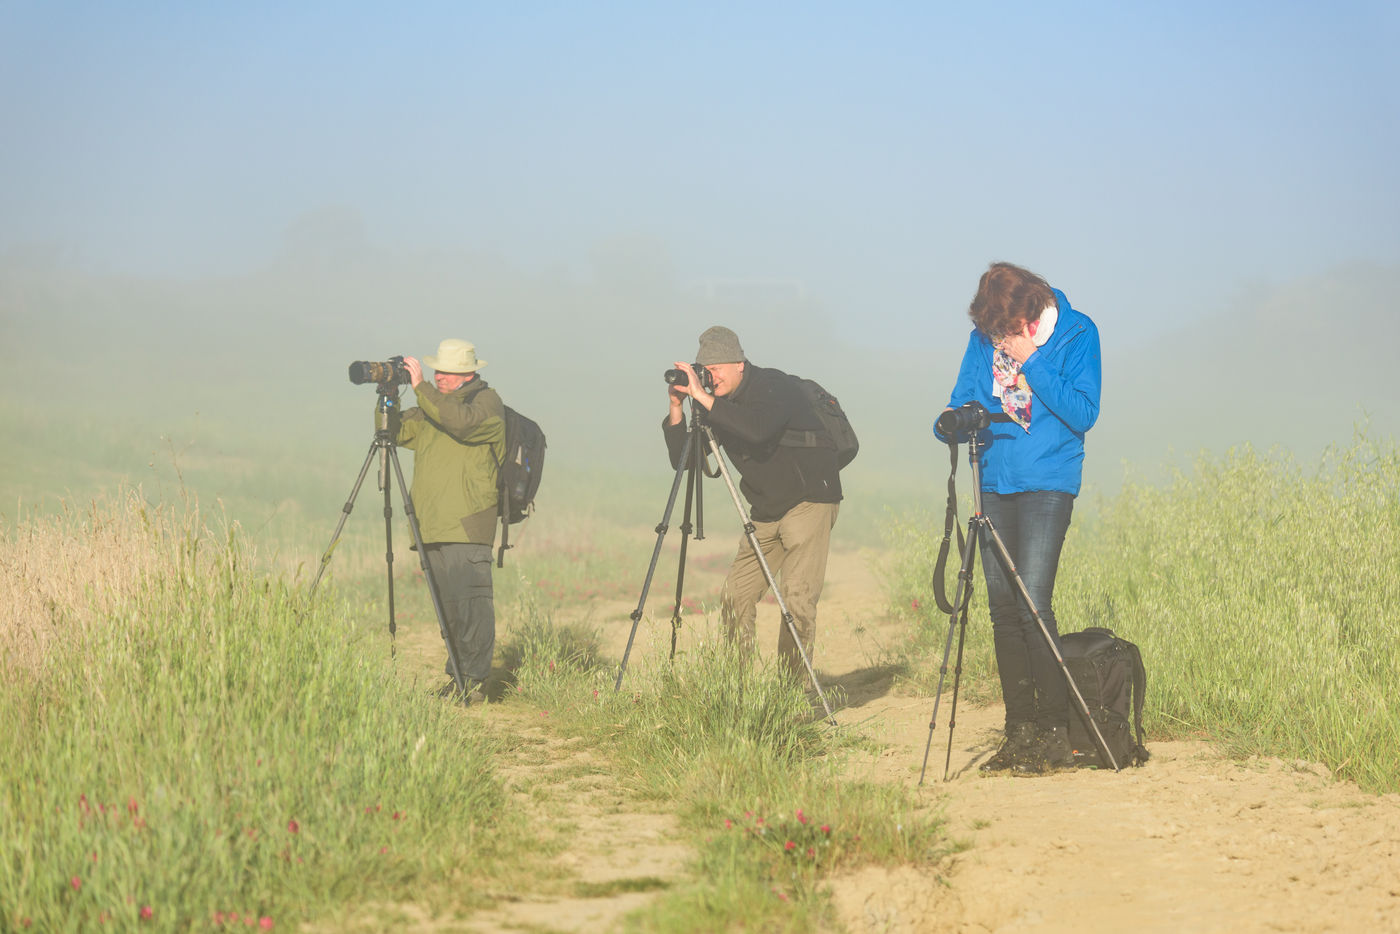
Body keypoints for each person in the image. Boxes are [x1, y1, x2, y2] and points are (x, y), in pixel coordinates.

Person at [935, 262, 1102, 774]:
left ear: (1031, 308)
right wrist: (953, 422)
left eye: (1004, 328)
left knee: (1033, 605)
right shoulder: (982, 338)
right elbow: (964, 396)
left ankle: (1055, 733)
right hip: (995, 481)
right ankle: (1019, 733)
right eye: (991, 330)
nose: (998, 338)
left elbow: (1083, 413)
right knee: (1003, 612)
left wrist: (1032, 361)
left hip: (1049, 482)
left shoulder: (1077, 332)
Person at [663, 326, 842, 684]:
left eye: (716, 370)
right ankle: (736, 687)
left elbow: (757, 428)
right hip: (765, 511)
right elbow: (688, 462)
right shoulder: (715, 401)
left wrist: (707, 400)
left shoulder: (774, 386)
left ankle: (791, 693)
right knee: (735, 595)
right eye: (705, 371)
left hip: (809, 501)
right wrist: (677, 407)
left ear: (740, 364)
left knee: (796, 598)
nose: (710, 378)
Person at [398, 338, 505, 704]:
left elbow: (460, 424)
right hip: (431, 525)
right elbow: (395, 432)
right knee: (449, 609)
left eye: (444, 372)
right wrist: (387, 396)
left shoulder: (486, 403)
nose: (437, 376)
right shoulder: (433, 405)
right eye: (436, 371)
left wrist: (420, 388)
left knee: (471, 604)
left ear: (467, 374)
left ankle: (474, 684)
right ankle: (457, 677)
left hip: (467, 522)